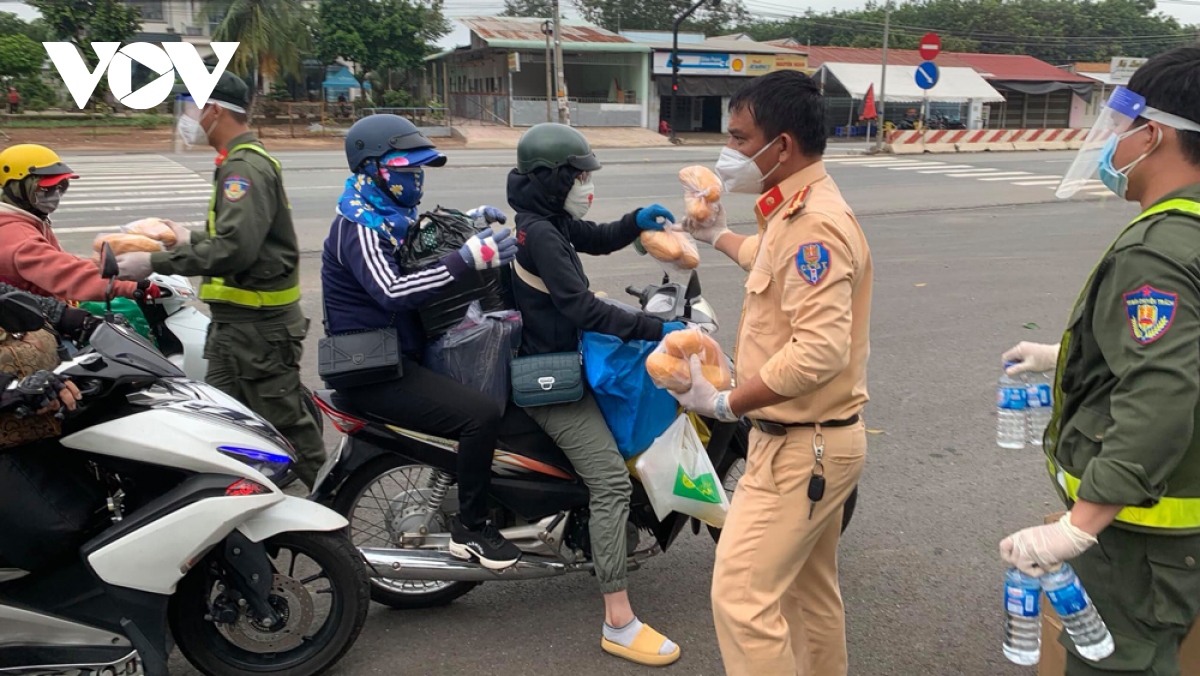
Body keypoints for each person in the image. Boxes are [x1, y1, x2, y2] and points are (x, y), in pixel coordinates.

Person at [1000, 46, 1200, 676]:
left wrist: (1078, 527)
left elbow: (1163, 392)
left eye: (1119, 128)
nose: (1111, 144)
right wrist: (1069, 355)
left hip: (1146, 539)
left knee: (1120, 663)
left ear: (1154, 134)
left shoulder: (1159, 249)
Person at [672, 70, 872, 676]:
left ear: (780, 146)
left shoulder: (813, 225)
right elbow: (768, 260)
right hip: (810, 445)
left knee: (742, 597)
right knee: (808, 598)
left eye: (738, 138)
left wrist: (727, 401)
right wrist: (717, 236)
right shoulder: (793, 213)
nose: (728, 152)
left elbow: (818, 351)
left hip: (799, 452)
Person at [508, 122, 684, 667]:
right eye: (579, 175)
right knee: (609, 482)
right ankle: (619, 622)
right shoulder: (540, 233)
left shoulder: (546, 222)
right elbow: (581, 308)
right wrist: (659, 329)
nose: (587, 185)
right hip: (550, 382)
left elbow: (598, 236)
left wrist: (635, 221)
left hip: (556, 360)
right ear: (552, 178)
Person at [321, 114, 521, 568]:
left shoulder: (386, 210)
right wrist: (468, 258)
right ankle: (470, 529)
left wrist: (465, 224)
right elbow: (392, 289)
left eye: (419, 168)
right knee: (480, 416)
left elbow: (416, 242)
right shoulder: (360, 225)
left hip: (400, 355)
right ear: (372, 168)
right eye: (405, 167)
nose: (415, 176)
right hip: (375, 370)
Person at [114, 71, 325, 487]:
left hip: (259, 331)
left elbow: (235, 250)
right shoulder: (237, 162)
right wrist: (186, 235)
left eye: (190, 106)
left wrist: (154, 259)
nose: (186, 117)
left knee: (289, 427)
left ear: (213, 109)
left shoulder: (243, 168)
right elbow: (242, 236)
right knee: (221, 424)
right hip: (236, 328)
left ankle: (332, 508)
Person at [0, 144, 147, 302]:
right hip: (34, 317)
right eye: (46, 189)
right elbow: (62, 273)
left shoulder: (27, 218)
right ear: (17, 187)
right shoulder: (19, 237)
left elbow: (61, 260)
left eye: (60, 187)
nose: (55, 195)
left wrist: (100, 268)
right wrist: (131, 287)